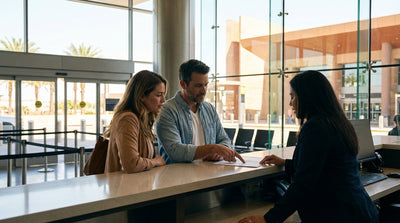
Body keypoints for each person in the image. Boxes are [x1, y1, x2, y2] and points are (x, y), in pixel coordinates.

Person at [238, 70, 379, 223]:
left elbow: (304, 184)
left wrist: (269, 219)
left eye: (293, 97)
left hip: (338, 215)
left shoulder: (316, 127)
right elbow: (324, 166)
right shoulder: (336, 122)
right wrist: (286, 163)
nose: (291, 103)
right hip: (357, 212)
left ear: (307, 97)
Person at [155, 59, 245, 164]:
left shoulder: (209, 109)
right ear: (183, 84)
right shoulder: (167, 111)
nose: (204, 90)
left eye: (206, 85)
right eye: (198, 86)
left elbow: (223, 139)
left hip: (208, 174)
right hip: (179, 178)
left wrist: (219, 152)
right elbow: (175, 151)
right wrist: (212, 149)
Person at [103, 70, 167, 173]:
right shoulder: (128, 119)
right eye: (159, 95)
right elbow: (132, 164)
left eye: (163, 95)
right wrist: (155, 161)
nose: (163, 100)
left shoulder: (142, 119)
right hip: (125, 187)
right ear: (142, 96)